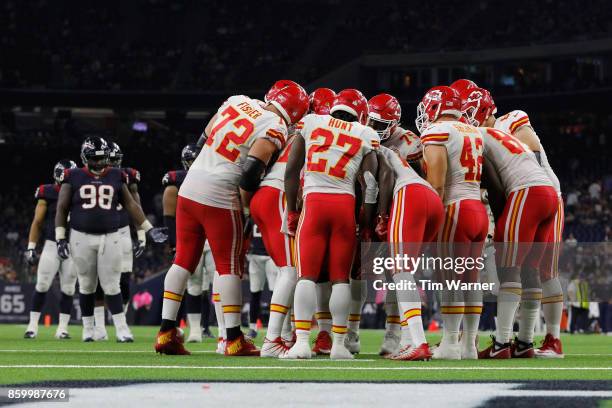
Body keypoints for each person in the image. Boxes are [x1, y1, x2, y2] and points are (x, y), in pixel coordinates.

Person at [155, 84, 309, 356]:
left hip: (190, 187)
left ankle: (166, 331)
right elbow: (250, 172)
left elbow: (202, 141)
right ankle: (234, 338)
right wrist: (246, 205)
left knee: (183, 260)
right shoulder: (275, 126)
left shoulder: (237, 101)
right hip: (221, 195)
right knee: (229, 267)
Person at [283, 89, 385, 360]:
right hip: (343, 206)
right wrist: (366, 221)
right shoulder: (365, 134)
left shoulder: (313, 122)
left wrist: (292, 210)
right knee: (341, 278)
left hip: (315, 203)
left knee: (306, 275)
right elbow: (371, 185)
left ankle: (302, 341)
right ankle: (339, 345)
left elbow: (292, 170)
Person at [457, 87, 558, 359]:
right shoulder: (499, 131)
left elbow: (496, 185)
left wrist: (501, 221)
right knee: (530, 270)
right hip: (548, 193)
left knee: (508, 268)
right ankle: (524, 342)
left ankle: (502, 344)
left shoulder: (478, 135)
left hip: (526, 191)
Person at [56, 136, 166, 342]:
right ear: (84, 158)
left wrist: (148, 230)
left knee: (112, 284)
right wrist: (60, 237)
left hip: (111, 235)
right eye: (94, 159)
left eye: (101, 159)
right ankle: (88, 330)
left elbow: (132, 205)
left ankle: (122, 329)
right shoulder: (72, 176)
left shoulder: (117, 175)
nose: (98, 163)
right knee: (87, 285)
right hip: (80, 236)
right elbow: (62, 208)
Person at [415, 86, 489, 360]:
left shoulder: (438, 131)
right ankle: (469, 345)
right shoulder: (474, 132)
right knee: (471, 281)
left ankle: (449, 343)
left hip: (454, 209)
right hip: (477, 210)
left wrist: (428, 222)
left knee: (449, 281)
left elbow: (436, 183)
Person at [367, 92, 425, 357]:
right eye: (371, 122)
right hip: (378, 207)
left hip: (402, 208)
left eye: (380, 124)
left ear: (393, 123)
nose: (373, 129)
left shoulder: (409, 141)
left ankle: (397, 333)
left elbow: (423, 174)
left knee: (398, 274)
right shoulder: (364, 134)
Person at [91, 142, 143, 341]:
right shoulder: (93, 177)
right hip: (100, 231)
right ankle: (100, 326)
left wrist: (141, 232)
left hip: (121, 232)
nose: (112, 163)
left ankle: (119, 322)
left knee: (123, 280)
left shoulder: (126, 176)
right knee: (98, 281)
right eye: (109, 159)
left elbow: (135, 204)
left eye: (114, 159)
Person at [23, 160, 78, 339]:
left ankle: (62, 328)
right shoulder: (47, 192)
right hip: (52, 244)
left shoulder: (80, 192)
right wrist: (31, 247)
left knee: (69, 288)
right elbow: (37, 221)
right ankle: (32, 326)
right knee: (42, 284)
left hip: (74, 245)